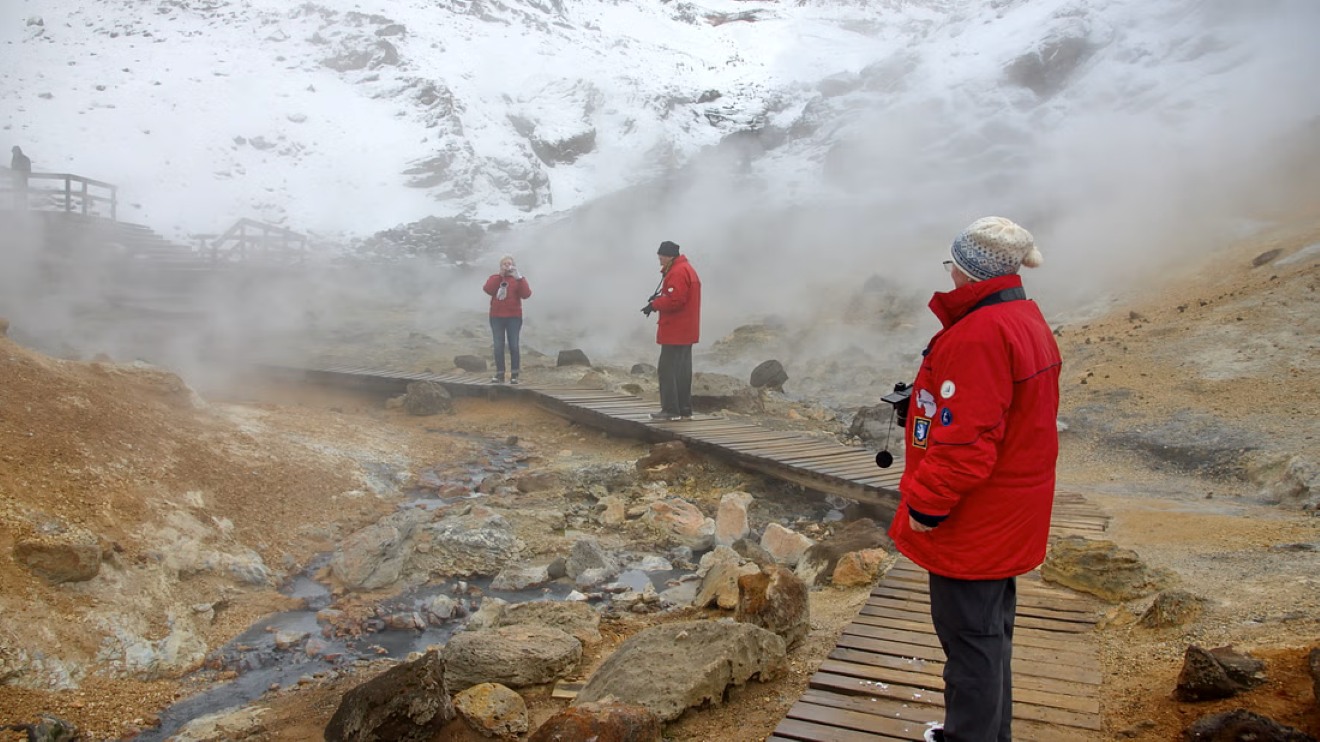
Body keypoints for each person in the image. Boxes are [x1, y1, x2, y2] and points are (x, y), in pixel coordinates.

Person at [886, 217, 1062, 742]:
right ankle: (987, 732)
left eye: (953, 266)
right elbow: (994, 415)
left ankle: (969, 736)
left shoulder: (979, 334)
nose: (952, 275)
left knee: (970, 643)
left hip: (976, 520)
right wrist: (919, 408)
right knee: (989, 634)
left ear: (968, 271)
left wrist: (925, 506)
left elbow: (967, 445)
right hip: (1009, 511)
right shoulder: (1022, 316)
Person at [641, 240, 702, 421]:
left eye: (660, 255)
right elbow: (678, 296)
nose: (659, 258)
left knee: (667, 370)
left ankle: (670, 410)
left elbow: (675, 300)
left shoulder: (676, 272)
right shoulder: (687, 269)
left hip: (675, 330)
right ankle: (684, 409)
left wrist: (654, 304)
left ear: (668, 256)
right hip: (687, 330)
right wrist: (660, 298)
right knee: (682, 371)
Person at [482, 254, 531, 384]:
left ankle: (514, 375)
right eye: (505, 264)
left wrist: (519, 278)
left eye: (509, 263)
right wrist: (500, 276)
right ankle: (499, 374)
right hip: (496, 317)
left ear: (513, 265)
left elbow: (526, 294)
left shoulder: (518, 279)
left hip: (513, 317)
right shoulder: (495, 278)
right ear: (500, 266)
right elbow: (488, 289)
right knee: (498, 346)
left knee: (513, 345)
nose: (507, 266)